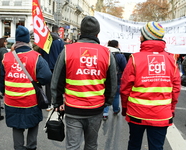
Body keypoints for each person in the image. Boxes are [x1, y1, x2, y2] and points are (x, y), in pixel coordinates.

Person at [51, 16, 117, 150]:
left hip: (73, 108)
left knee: (73, 146)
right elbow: (112, 83)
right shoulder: (107, 53)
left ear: (81, 32)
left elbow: (57, 79)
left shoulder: (68, 50)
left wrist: (57, 102)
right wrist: (107, 102)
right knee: (91, 145)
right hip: (96, 108)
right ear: (97, 33)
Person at [120, 22, 181, 150]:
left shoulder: (135, 59)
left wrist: (125, 108)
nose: (139, 37)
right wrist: (171, 109)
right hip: (162, 114)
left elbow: (125, 88)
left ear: (145, 37)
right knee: (157, 147)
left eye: (141, 34)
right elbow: (176, 88)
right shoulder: (171, 60)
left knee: (134, 145)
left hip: (137, 113)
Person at [0, 25, 52, 150]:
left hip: (12, 101)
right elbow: (47, 77)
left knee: (17, 127)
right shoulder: (35, 56)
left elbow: (2, 80)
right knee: (33, 124)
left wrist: (3, 92)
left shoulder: (7, 57)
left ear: (17, 41)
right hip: (30, 101)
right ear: (28, 40)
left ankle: (19, 148)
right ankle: (31, 147)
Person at [39, 24, 64, 111]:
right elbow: (62, 54)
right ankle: (56, 102)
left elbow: (41, 52)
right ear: (58, 31)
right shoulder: (60, 41)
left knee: (48, 86)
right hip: (57, 66)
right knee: (57, 84)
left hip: (46, 65)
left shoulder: (46, 41)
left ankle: (49, 103)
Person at [103, 40, 127, 121]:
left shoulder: (104, 53)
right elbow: (125, 68)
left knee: (105, 94)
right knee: (116, 95)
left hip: (105, 78)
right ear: (117, 46)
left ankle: (105, 113)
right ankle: (116, 110)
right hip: (117, 78)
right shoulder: (120, 55)